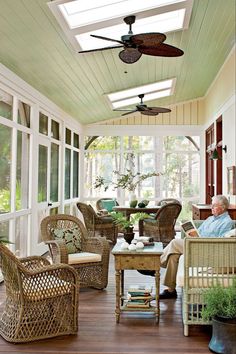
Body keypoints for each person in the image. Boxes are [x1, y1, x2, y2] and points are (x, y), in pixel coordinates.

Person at [139, 195, 234, 299]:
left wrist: (200, 238)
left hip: (207, 249)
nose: (211, 207)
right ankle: (170, 290)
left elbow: (221, 242)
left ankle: (154, 265)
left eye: (214, 206)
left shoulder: (226, 222)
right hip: (197, 244)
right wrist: (193, 234)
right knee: (174, 256)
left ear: (223, 207)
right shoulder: (210, 219)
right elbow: (200, 232)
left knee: (174, 242)